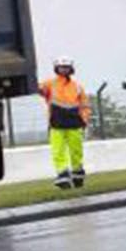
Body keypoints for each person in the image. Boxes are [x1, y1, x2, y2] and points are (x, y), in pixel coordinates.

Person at [38, 55, 91, 189]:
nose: (64, 70)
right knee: (58, 150)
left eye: (66, 67)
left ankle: (77, 173)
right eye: (61, 67)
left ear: (71, 69)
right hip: (57, 123)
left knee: (76, 150)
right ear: (56, 68)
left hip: (75, 123)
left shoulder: (78, 87)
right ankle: (62, 174)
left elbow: (84, 105)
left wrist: (84, 120)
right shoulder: (50, 84)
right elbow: (39, 89)